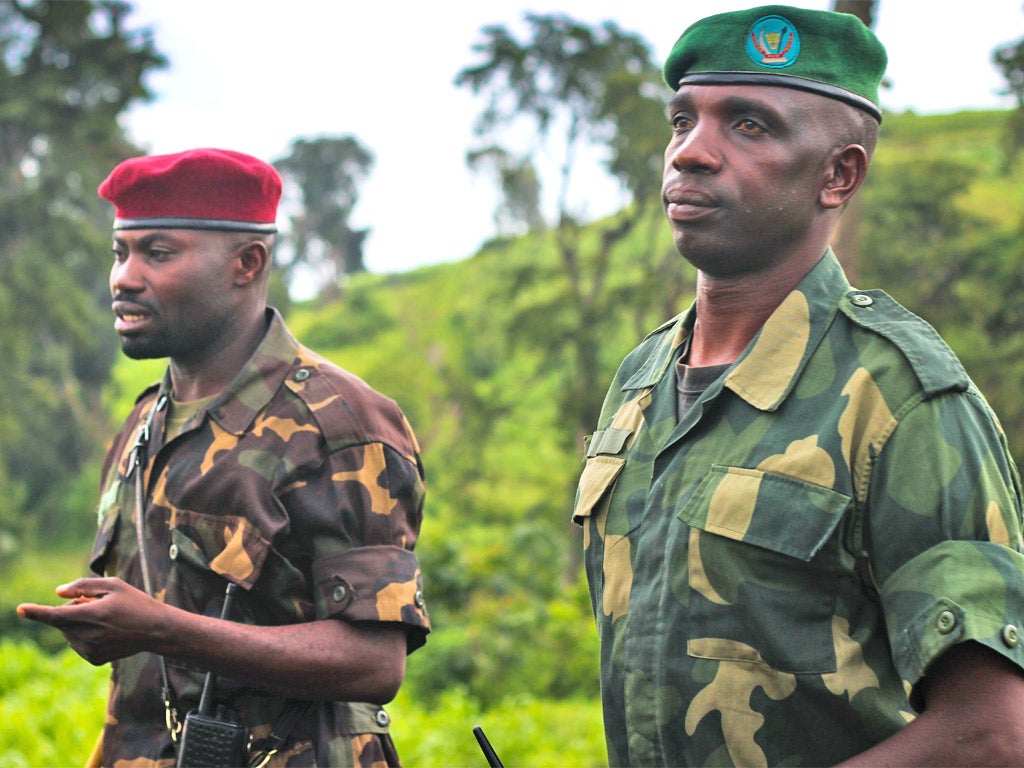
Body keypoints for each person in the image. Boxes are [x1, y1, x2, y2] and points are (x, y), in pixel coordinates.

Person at [572, 6, 1024, 766]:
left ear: (838, 174)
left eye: (748, 127)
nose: (690, 154)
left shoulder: (900, 399)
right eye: (682, 121)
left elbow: (993, 733)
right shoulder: (642, 379)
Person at [18, 148, 430, 767]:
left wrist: (161, 628)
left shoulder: (338, 424)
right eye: (120, 252)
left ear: (247, 262)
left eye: (157, 253)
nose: (124, 278)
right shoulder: (142, 425)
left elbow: (373, 661)